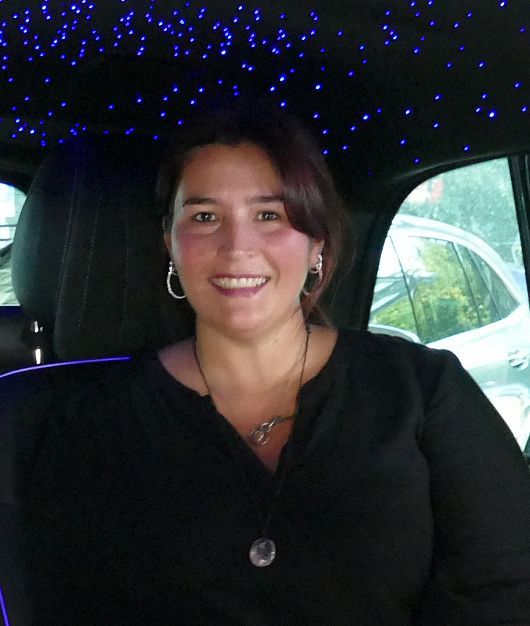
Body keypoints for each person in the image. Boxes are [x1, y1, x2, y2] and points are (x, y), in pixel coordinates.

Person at [2, 101, 530, 624]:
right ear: (170, 244)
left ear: (316, 243)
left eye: (269, 215)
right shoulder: (94, 424)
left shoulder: (424, 392)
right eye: (204, 217)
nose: (237, 247)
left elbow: (503, 590)